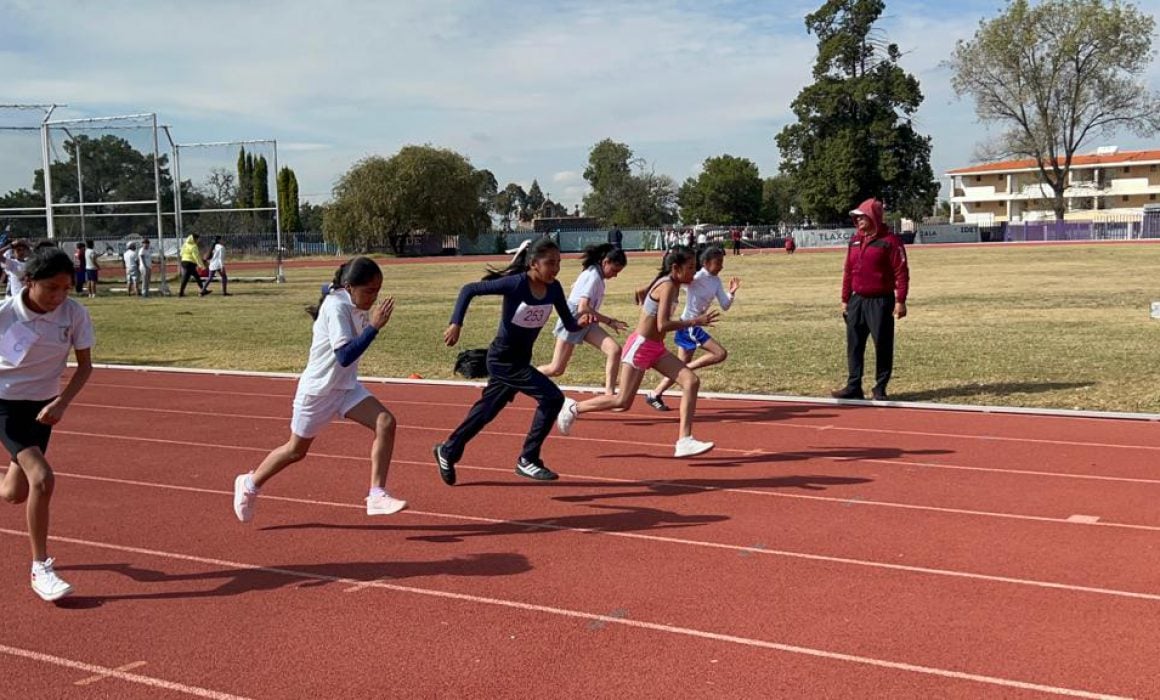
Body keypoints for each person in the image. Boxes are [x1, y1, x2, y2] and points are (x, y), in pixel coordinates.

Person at [233, 257, 405, 523]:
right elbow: (345, 355)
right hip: (318, 392)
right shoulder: (337, 308)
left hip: (346, 388)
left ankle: (376, 495)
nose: (374, 297)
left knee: (386, 422)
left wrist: (332, 290)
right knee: (295, 451)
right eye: (369, 291)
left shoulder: (345, 296)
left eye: (378, 290)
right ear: (350, 288)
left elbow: (329, 288)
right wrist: (374, 326)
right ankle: (249, 484)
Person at [433, 237, 592, 485]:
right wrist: (456, 323)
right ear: (534, 264)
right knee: (552, 398)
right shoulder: (516, 284)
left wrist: (580, 322)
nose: (556, 268)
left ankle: (448, 450)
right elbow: (469, 290)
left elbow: (569, 323)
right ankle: (528, 459)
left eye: (559, 263)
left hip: (520, 358)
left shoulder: (554, 288)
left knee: (486, 411)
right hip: (503, 359)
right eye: (550, 263)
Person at [556, 246, 716, 458]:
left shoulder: (673, 284)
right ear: (676, 268)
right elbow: (663, 325)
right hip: (641, 347)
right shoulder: (668, 285)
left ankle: (684, 441)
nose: (694, 273)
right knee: (622, 401)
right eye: (690, 267)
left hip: (655, 348)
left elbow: (647, 299)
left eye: (695, 267)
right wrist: (696, 321)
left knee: (691, 381)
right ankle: (573, 408)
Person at [0, 247, 94, 601]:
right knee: (42, 478)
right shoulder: (6, 314)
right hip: (4, 403)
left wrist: (62, 401)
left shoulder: (74, 315)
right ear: (29, 281)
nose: (59, 296)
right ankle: (41, 568)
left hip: (43, 407)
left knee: (14, 493)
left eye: (66, 288)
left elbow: (85, 366)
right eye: (52, 288)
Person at [831, 198, 909, 402]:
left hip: (881, 301)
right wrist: (845, 298)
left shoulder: (890, 242)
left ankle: (880, 386)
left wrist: (900, 300)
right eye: (856, 217)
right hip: (857, 300)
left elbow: (901, 272)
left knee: (882, 344)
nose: (858, 220)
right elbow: (848, 270)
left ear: (873, 216)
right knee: (854, 344)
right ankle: (853, 385)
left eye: (862, 216)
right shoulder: (855, 240)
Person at [646, 246, 740, 411]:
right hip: (689, 325)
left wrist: (731, 293)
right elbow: (677, 280)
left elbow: (725, 305)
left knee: (680, 366)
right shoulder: (696, 277)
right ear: (705, 263)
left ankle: (655, 394)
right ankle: (684, 371)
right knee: (719, 353)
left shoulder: (716, 281)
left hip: (692, 325)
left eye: (722, 262)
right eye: (718, 263)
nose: (721, 266)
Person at [537, 243, 629, 395]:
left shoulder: (596, 275)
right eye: (614, 270)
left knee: (614, 350)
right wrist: (610, 321)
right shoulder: (593, 276)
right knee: (556, 369)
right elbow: (583, 307)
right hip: (573, 320)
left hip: (588, 321)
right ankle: (524, 376)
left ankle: (609, 393)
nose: (615, 275)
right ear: (605, 262)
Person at [179, 233, 210, 297]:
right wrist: (202, 266)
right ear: (194, 239)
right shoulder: (194, 246)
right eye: (197, 239)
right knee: (186, 279)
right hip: (190, 263)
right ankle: (181, 293)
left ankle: (203, 290)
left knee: (196, 277)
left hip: (184, 262)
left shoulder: (185, 245)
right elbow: (196, 257)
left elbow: (181, 253)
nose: (198, 240)